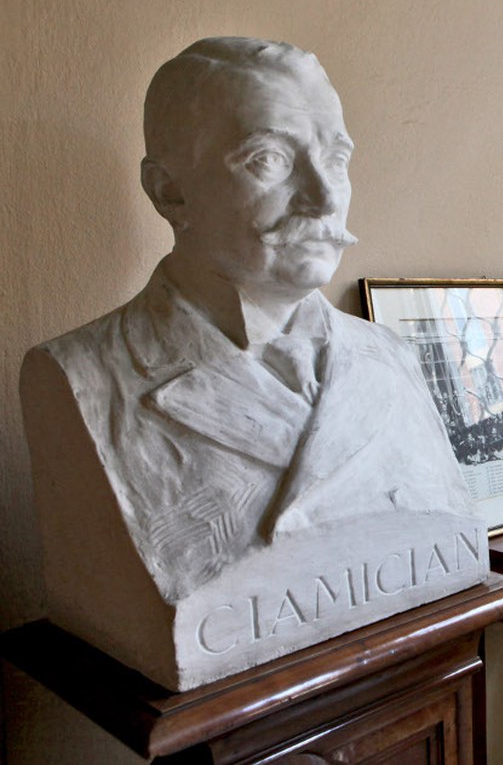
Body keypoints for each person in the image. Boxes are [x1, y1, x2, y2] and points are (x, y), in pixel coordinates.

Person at [21, 37, 476, 604]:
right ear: (169, 192)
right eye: (269, 160)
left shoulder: (391, 356)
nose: (324, 196)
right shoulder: (80, 375)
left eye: (336, 159)